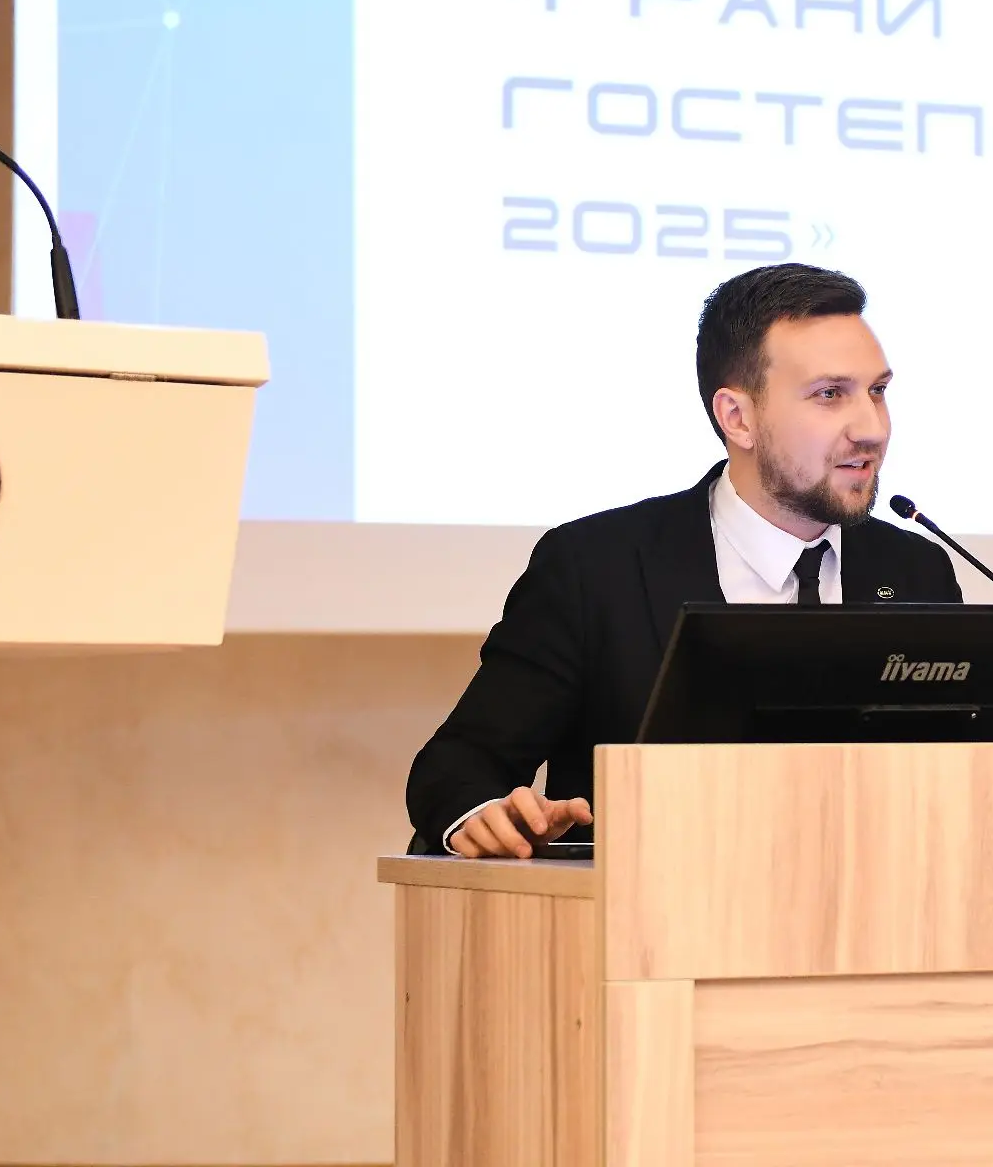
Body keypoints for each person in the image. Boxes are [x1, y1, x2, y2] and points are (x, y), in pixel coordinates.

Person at [405, 263, 964, 857]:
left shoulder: (915, 571)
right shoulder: (596, 568)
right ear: (738, 418)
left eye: (877, 391)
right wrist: (485, 816)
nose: (872, 428)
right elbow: (458, 767)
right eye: (830, 395)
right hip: (649, 911)